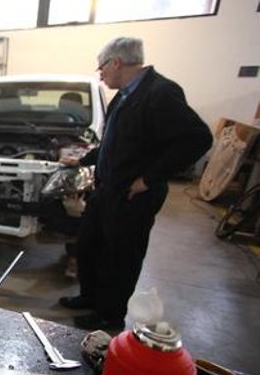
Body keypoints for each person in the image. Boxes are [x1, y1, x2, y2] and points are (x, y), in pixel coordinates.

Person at [58, 37, 212, 331]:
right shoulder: (124, 95)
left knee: (120, 257)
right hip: (106, 189)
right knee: (89, 247)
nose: (100, 74)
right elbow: (113, 143)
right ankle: (90, 297)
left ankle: (109, 316)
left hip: (132, 195)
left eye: (101, 67)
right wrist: (82, 160)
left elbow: (198, 138)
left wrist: (149, 178)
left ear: (116, 62)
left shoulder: (160, 93)